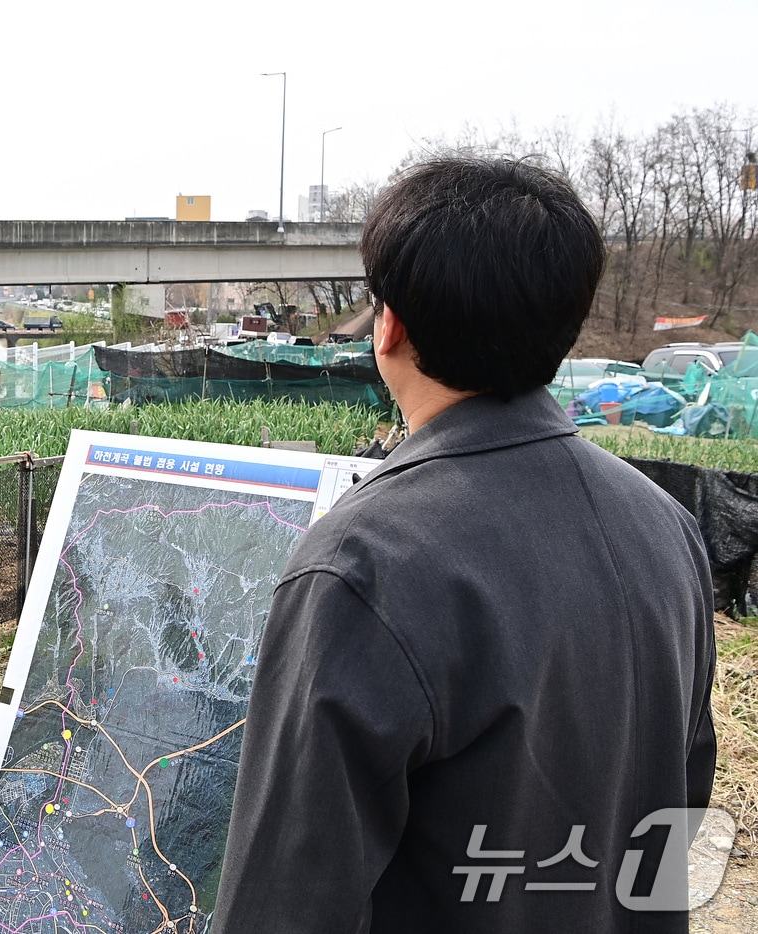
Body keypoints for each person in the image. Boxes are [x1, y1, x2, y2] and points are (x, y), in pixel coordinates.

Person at [212, 159, 715, 933]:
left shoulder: (363, 561)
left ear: (392, 325)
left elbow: (286, 900)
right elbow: (678, 810)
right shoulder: (666, 526)